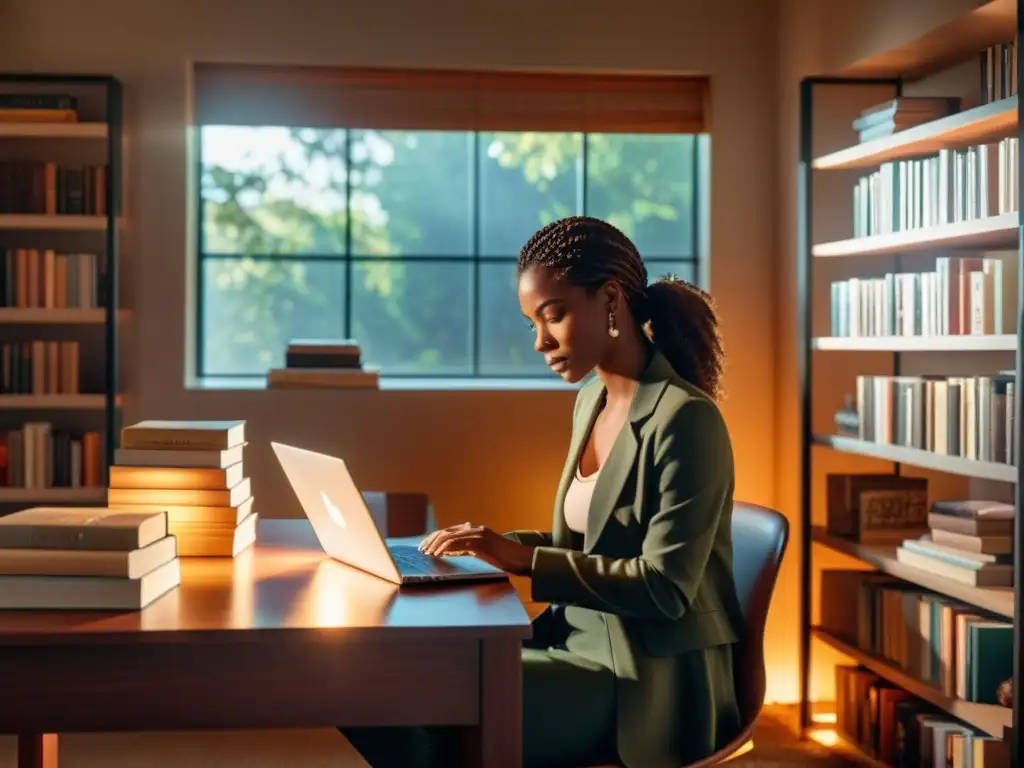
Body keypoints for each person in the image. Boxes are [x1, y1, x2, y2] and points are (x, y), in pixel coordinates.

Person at [346, 216, 745, 768]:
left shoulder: (686, 420)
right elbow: (594, 542)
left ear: (610, 300)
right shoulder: (592, 401)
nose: (539, 341)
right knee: (391, 678)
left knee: (405, 698)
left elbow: (664, 588)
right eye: (532, 321)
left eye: (552, 315)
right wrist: (489, 545)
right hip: (570, 642)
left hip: (635, 679)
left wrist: (524, 560)